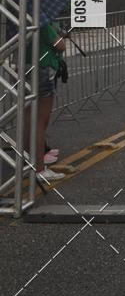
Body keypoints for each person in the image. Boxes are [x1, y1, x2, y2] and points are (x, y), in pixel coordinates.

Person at [24, 21, 65, 183]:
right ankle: (40, 169)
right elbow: (59, 45)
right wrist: (60, 38)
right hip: (43, 69)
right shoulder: (42, 22)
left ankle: (28, 160)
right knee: (40, 121)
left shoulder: (24, 20)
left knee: (28, 115)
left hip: (27, 66)